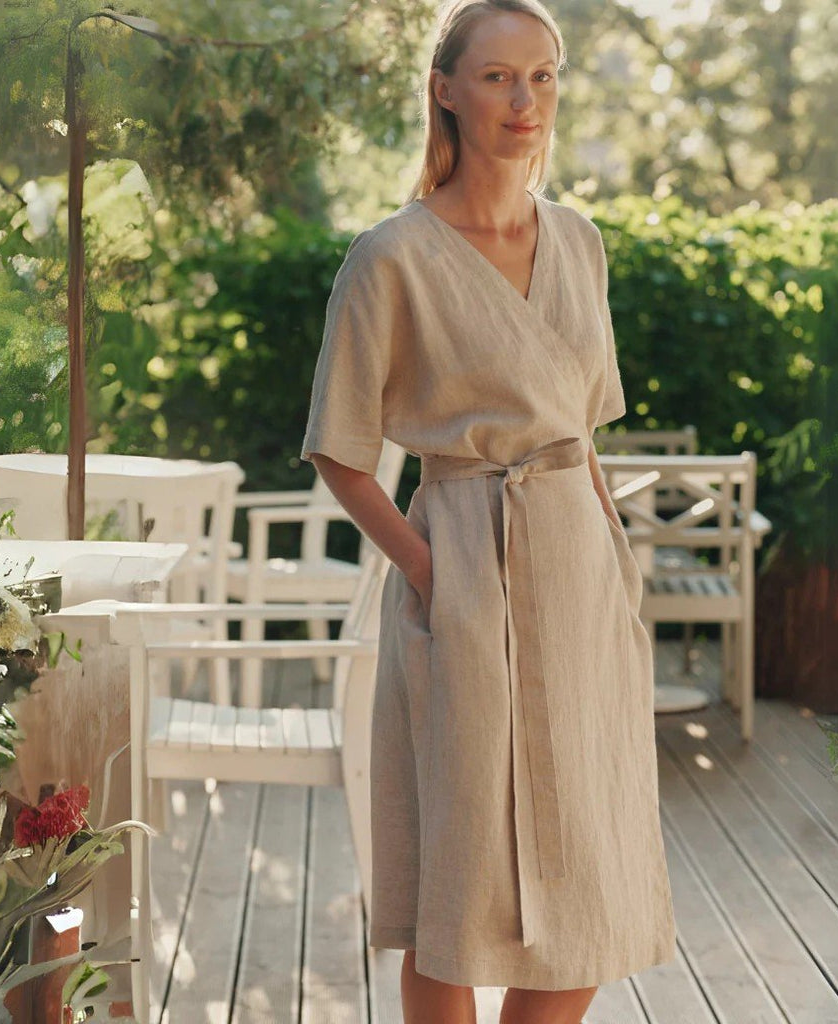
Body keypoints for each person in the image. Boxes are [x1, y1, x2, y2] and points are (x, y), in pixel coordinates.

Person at [300, 1, 677, 1021]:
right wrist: (430, 570)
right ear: (446, 89)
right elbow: (340, 451)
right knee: (459, 883)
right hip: (463, 564)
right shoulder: (392, 256)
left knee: (589, 875)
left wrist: (614, 569)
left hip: (577, 572)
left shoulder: (580, 243)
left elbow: (583, 431)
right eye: (500, 77)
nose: (525, 101)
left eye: (543, 76)